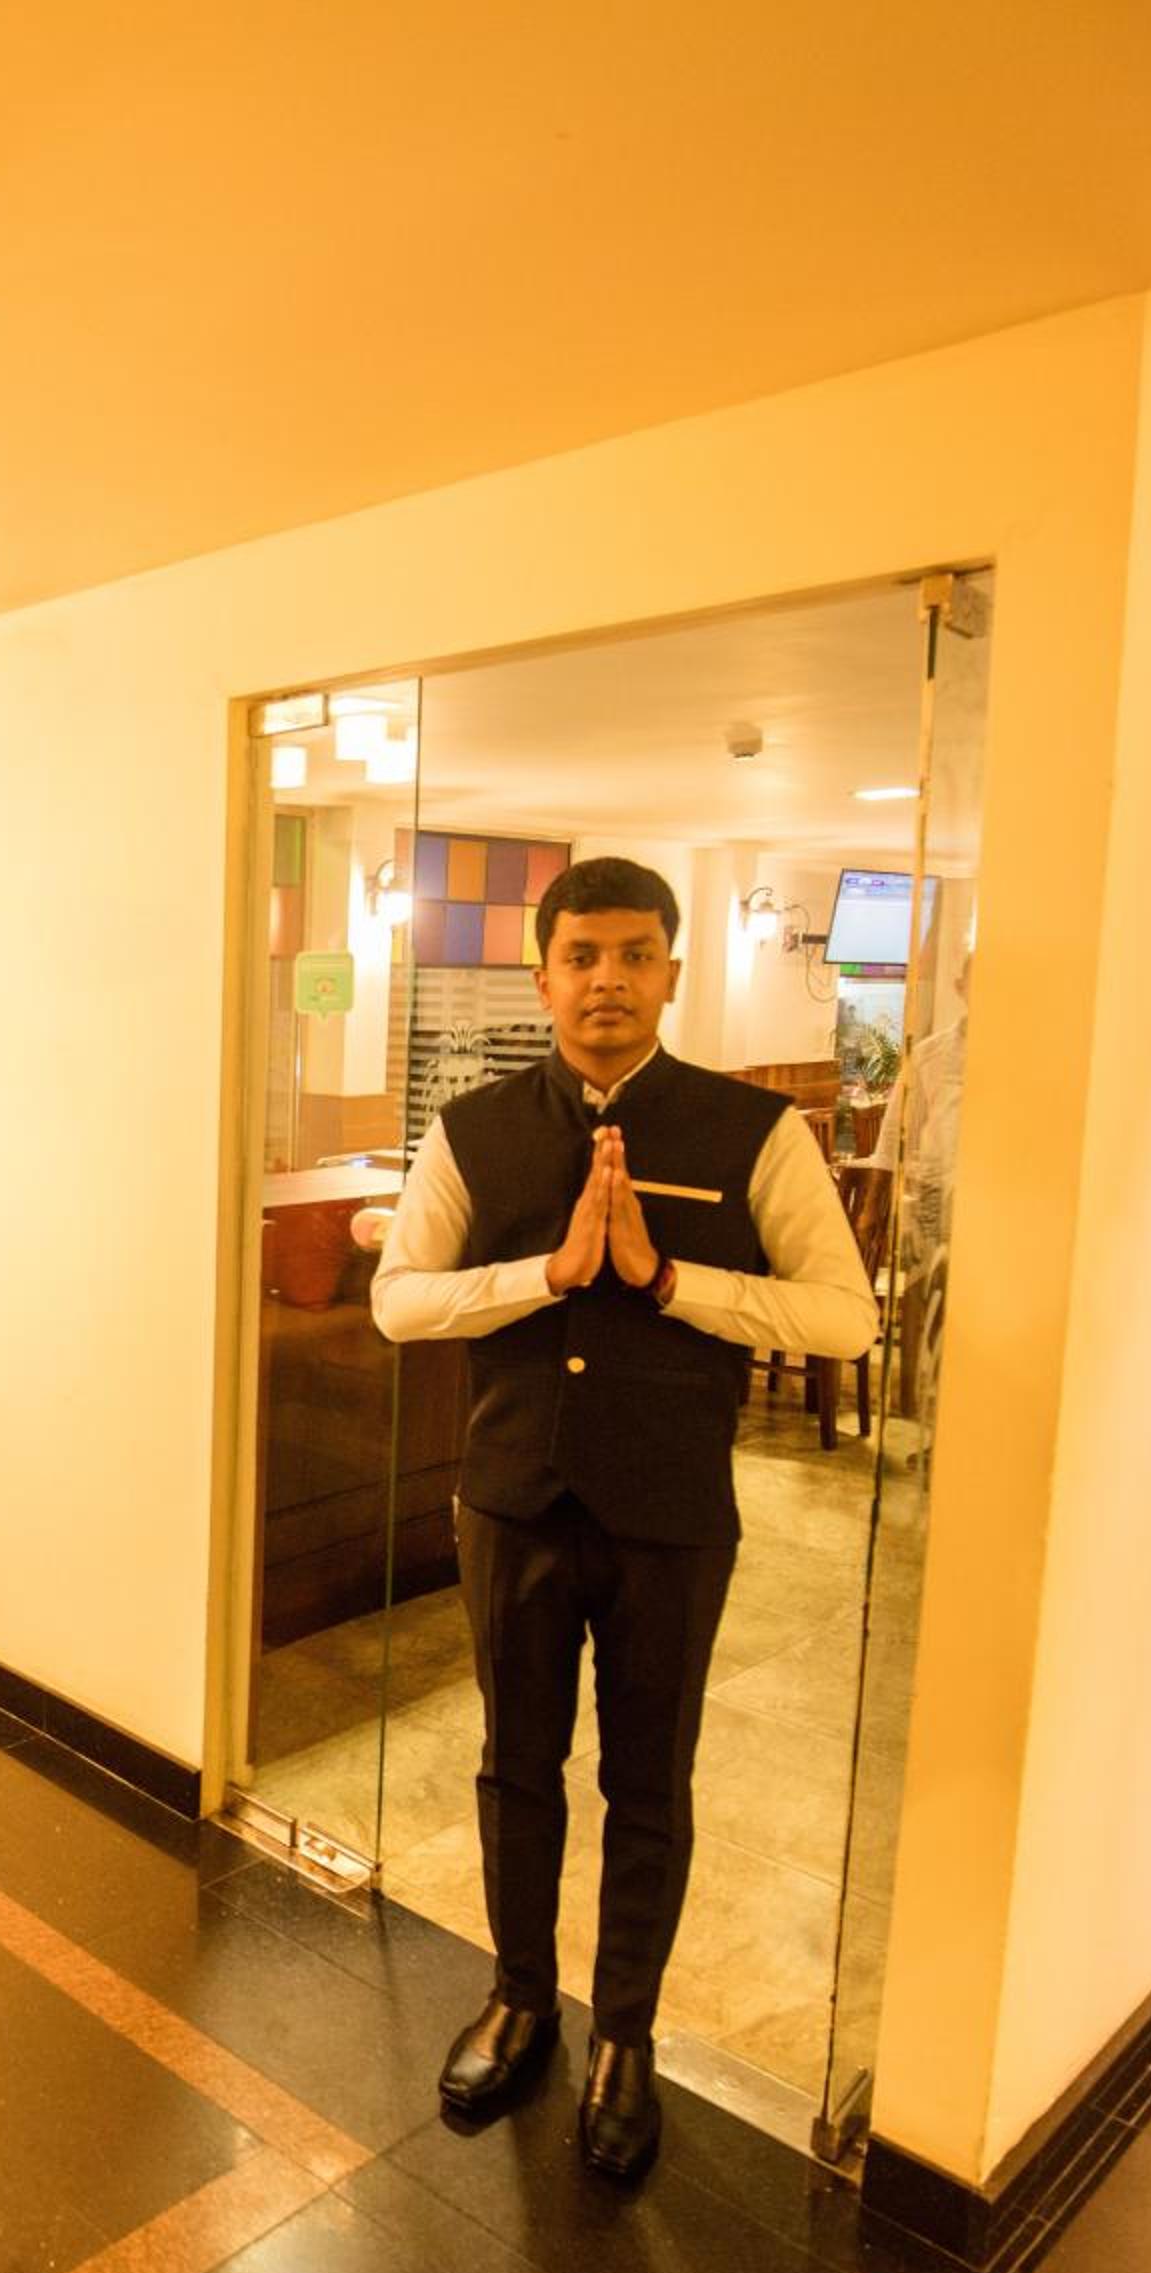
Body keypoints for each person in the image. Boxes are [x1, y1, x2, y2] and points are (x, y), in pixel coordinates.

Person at [372, 857, 877, 2177]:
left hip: (671, 1513)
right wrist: (546, 1274)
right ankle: (521, 1997)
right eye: (582, 955)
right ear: (542, 976)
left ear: (673, 972)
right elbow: (400, 1299)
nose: (608, 979)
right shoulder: (471, 1127)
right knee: (515, 1766)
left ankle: (627, 2036)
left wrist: (665, 1280)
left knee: (649, 1781)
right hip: (513, 1502)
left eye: (635, 954)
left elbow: (845, 1317)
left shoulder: (755, 1131)